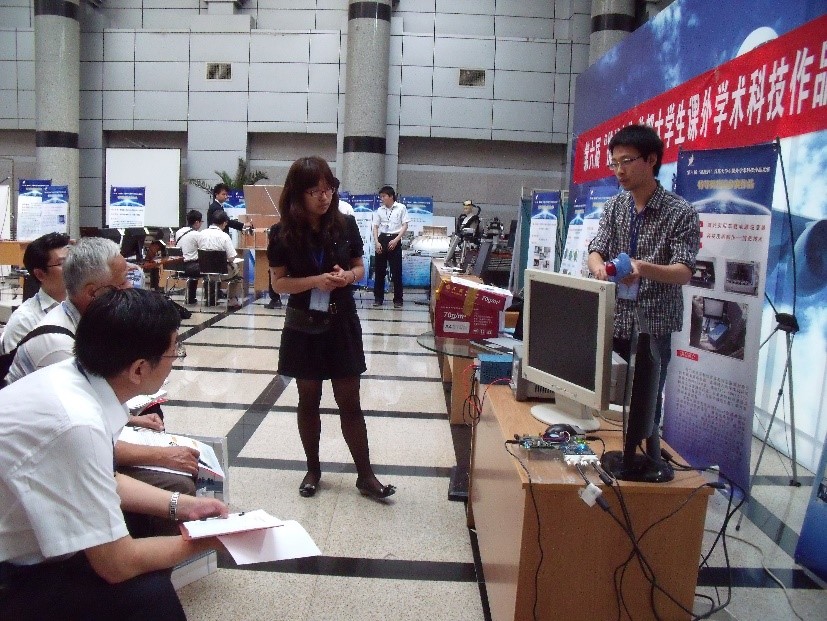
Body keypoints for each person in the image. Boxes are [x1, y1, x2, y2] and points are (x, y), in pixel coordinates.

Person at [0, 288, 227, 621]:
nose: (175, 359)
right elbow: (117, 564)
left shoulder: (74, 378)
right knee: (149, 594)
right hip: (11, 570)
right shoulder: (77, 422)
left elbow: (104, 478)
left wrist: (185, 506)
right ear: (138, 369)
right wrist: (211, 539)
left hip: (29, 540)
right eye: (174, 351)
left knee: (146, 550)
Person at [4, 237, 200, 536]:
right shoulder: (58, 346)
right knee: (175, 481)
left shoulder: (86, 327)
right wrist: (163, 458)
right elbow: (88, 441)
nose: (130, 289)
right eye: (122, 284)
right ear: (93, 292)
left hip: (66, 453)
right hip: (44, 487)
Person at [267, 156, 395, 500]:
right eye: (315, 191)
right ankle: (313, 469)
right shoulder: (281, 234)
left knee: (350, 401)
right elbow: (278, 284)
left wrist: (347, 276)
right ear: (298, 194)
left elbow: (359, 267)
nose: (324, 197)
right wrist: (315, 281)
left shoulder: (345, 224)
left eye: (329, 189)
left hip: (341, 322)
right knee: (308, 400)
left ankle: (365, 475)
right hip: (303, 325)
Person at [587, 124, 700, 427]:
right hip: (613, 319)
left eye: (626, 161)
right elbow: (596, 249)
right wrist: (598, 268)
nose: (619, 171)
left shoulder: (680, 212)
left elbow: (684, 271)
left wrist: (643, 268)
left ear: (651, 160)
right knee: (602, 401)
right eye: (614, 163)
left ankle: (642, 451)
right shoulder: (614, 207)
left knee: (644, 411)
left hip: (653, 327)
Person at [1, 232, 70, 354]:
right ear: (40, 274)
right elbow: (15, 365)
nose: (74, 267)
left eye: (73, 260)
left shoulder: (83, 303)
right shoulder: (24, 321)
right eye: (63, 263)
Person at [196, 208, 243, 309]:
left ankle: (210, 299)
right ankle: (232, 300)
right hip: (222, 273)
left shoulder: (201, 234)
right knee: (237, 270)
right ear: (224, 223)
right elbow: (231, 257)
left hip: (205, 272)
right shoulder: (224, 236)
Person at [371, 185, 409, 308]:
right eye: (381, 196)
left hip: (395, 238)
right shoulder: (379, 210)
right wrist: (377, 242)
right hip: (382, 239)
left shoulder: (401, 208)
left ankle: (398, 299)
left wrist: (396, 240)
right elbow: (375, 227)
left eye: (384, 196)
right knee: (379, 271)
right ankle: (378, 298)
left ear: (391, 196)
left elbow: (405, 225)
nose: (381, 198)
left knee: (396, 271)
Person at [176, 209, 203, 304]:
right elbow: (203, 250)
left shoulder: (179, 232)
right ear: (197, 222)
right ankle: (211, 300)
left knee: (195, 264)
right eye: (201, 222)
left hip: (178, 267)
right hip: (191, 268)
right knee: (210, 269)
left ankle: (191, 298)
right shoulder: (197, 235)